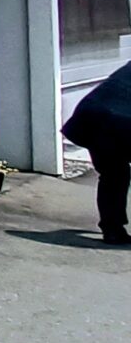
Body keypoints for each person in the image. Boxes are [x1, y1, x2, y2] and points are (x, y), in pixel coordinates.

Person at [62, 60, 131, 245]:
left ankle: (112, 229)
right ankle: (113, 228)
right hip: (119, 121)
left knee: (113, 174)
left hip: (92, 116)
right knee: (115, 174)